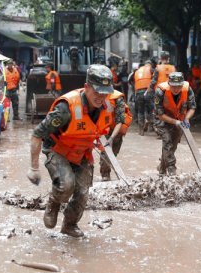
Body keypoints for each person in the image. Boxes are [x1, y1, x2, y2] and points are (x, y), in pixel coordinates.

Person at [27, 64, 114, 237]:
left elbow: (101, 131)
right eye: (97, 92)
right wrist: (34, 168)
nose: (101, 97)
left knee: (82, 193)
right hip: (58, 149)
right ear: (87, 87)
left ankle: (69, 225)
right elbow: (37, 134)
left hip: (81, 152)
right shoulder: (65, 109)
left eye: (105, 92)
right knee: (67, 185)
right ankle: (54, 201)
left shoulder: (107, 107)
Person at [153, 72, 196, 175]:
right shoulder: (160, 91)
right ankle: (172, 168)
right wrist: (175, 122)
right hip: (162, 119)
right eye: (173, 87)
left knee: (172, 147)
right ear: (169, 84)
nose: (176, 89)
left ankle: (162, 169)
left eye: (179, 86)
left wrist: (186, 119)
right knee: (167, 141)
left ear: (182, 84)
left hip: (180, 119)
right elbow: (159, 114)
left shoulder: (187, 89)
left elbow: (192, 108)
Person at [99, 89, 133, 181]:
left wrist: (112, 138)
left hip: (116, 127)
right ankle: (105, 175)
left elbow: (120, 121)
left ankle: (106, 171)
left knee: (113, 152)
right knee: (106, 151)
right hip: (103, 127)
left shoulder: (117, 98)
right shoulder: (94, 95)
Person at [134, 60, 156, 135]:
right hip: (148, 91)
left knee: (140, 111)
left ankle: (141, 130)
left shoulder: (137, 71)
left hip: (138, 92)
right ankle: (149, 122)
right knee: (151, 110)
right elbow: (155, 78)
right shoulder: (151, 69)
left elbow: (132, 81)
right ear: (150, 64)